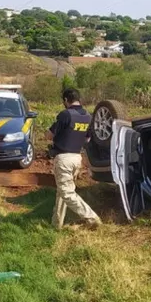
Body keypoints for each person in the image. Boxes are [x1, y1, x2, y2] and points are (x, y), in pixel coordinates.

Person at [46, 88, 102, 230]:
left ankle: (91, 217)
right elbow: (88, 139)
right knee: (62, 191)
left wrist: (49, 133)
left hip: (64, 158)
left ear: (66, 100)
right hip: (77, 158)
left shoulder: (65, 115)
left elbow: (49, 135)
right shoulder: (88, 117)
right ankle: (56, 224)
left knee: (66, 192)